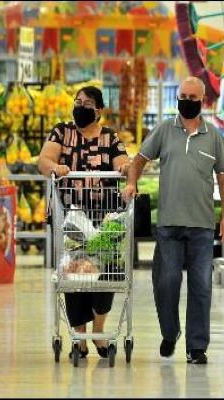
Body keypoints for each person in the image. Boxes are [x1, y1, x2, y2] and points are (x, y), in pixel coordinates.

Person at [122, 76, 224, 365]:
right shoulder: (164, 130)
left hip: (202, 224)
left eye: (191, 97)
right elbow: (138, 159)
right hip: (169, 224)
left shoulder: (214, 136)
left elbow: (223, 177)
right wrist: (132, 183)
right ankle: (170, 333)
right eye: (182, 96)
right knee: (166, 282)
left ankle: (197, 347)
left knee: (202, 286)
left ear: (202, 100)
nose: (185, 101)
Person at [38, 86, 130, 359]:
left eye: (87, 103)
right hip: (71, 217)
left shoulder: (110, 137)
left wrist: (126, 168)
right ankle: (79, 339)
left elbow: (123, 161)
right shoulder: (61, 132)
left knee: (108, 274)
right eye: (77, 101)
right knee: (75, 277)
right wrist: (55, 168)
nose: (80, 106)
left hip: (105, 219)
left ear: (98, 110)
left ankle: (99, 331)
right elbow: (44, 161)